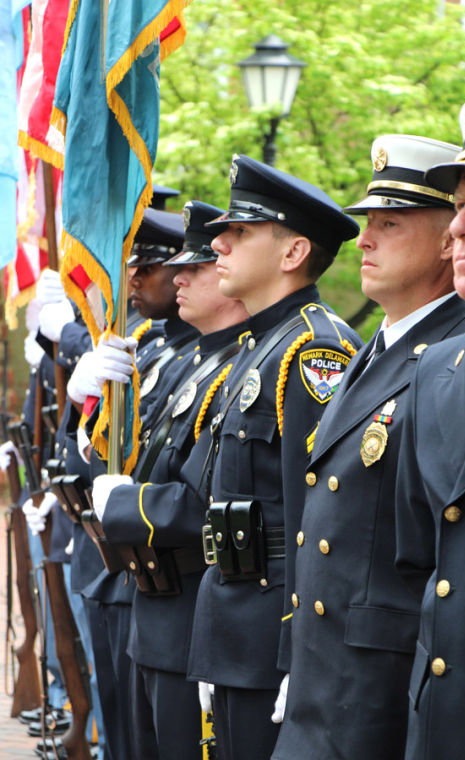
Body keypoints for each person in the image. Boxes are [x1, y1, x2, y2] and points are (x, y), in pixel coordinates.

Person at [271, 134, 465, 760]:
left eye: (390, 224)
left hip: (379, 696)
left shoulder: (458, 361)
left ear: (448, 241)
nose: (365, 240)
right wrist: (294, 664)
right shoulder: (375, 349)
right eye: (368, 223)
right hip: (323, 679)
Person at [185, 154, 363, 760]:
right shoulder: (258, 348)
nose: (219, 243)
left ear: (292, 254)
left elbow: (322, 520)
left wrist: (299, 659)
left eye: (240, 231)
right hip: (234, 630)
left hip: (271, 642)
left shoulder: (315, 350)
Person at [91, 199, 252, 759]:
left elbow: (217, 501)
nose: (178, 277)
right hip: (152, 597)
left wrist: (125, 504)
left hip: (193, 606)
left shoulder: (248, 363)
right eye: (175, 265)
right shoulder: (196, 361)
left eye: (197, 266)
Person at [395, 90, 465, 760]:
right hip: (441, 722)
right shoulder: (435, 368)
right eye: (457, 205)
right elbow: (416, 563)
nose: (458, 229)